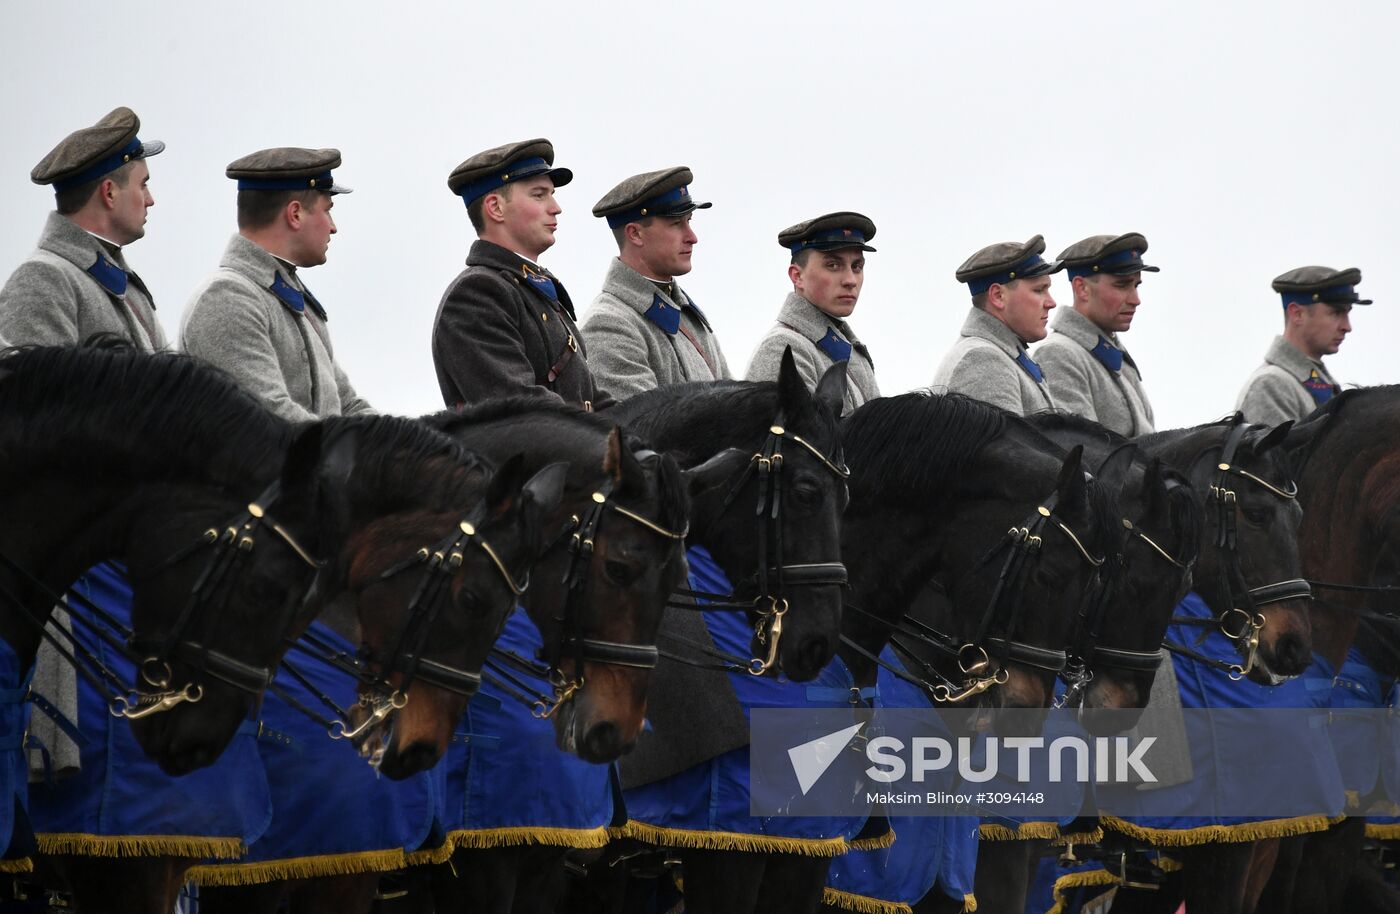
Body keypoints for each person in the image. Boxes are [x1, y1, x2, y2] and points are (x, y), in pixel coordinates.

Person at [180, 147, 371, 422]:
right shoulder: (228, 298)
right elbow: (271, 418)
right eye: (327, 211)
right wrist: (360, 458)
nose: (333, 227)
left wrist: (406, 448)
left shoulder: (286, 294)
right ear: (295, 214)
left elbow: (348, 405)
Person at [431, 137, 606, 409]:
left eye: (552, 195)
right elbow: (521, 409)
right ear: (495, 208)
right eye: (539, 195)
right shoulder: (477, 294)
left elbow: (594, 401)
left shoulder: (533, 288)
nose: (555, 208)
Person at [0, 106, 165, 350]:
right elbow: (30, 385)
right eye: (142, 185)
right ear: (109, 192)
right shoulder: (44, 278)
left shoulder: (121, 280)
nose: (150, 200)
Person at [581, 166, 728, 399]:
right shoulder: (608, 325)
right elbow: (637, 430)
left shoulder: (687, 314)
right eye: (677, 223)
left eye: (689, 221)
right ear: (635, 234)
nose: (692, 237)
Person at [746, 211, 880, 412]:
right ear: (797, 276)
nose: (850, 280)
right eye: (833, 265)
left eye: (857, 266)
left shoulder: (849, 349)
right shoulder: (783, 348)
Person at [1035, 233, 1159, 435]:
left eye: (1136, 286)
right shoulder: (1058, 354)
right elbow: (1084, 453)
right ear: (1081, 288)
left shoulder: (1113, 354)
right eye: (1122, 285)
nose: (1136, 299)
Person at [931, 235, 1061, 415]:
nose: (1051, 302)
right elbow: (1007, 444)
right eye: (1039, 290)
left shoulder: (1001, 353)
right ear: (998, 296)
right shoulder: (983, 360)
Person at [1235, 266, 1368, 425]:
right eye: (1336, 313)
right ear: (1297, 314)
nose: (1347, 326)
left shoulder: (1317, 384)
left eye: (1347, 313)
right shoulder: (1271, 385)